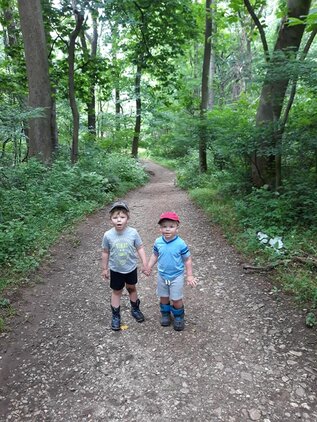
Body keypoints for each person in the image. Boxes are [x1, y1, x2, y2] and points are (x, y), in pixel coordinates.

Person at [101, 200, 148, 331]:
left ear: (128, 218)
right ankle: (115, 316)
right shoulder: (108, 235)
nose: (119, 220)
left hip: (131, 267)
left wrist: (145, 263)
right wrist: (104, 268)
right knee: (117, 291)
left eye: (122, 217)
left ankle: (135, 308)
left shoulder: (133, 232)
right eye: (115, 217)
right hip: (116, 270)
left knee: (132, 288)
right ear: (111, 219)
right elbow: (105, 252)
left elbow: (140, 247)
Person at [146, 211, 197, 331]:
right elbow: (155, 255)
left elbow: (187, 259)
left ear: (177, 228)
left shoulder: (180, 243)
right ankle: (165, 314)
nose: (167, 229)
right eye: (164, 226)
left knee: (176, 299)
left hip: (176, 276)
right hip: (162, 275)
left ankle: (179, 316)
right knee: (163, 297)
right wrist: (149, 266)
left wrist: (189, 275)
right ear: (160, 229)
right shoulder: (158, 242)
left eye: (171, 226)